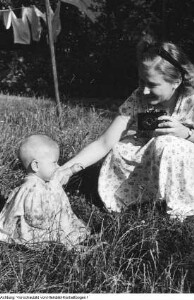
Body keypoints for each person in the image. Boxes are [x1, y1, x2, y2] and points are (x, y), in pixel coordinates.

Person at [57, 37, 194, 222]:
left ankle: (181, 211)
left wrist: (186, 134)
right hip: (153, 161)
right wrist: (67, 170)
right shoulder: (139, 98)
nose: (144, 90)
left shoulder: (190, 99)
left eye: (152, 85)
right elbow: (105, 142)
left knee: (169, 144)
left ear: (176, 81)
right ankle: (141, 200)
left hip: (186, 166)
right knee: (121, 147)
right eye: (141, 81)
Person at [0, 134, 90, 250]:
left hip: (53, 222)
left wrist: (71, 170)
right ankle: (70, 247)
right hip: (39, 229)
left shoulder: (44, 180)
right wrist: (50, 221)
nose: (58, 166)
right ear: (36, 165)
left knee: (63, 230)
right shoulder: (32, 189)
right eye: (54, 163)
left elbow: (57, 179)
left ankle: (69, 240)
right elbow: (33, 216)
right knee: (55, 239)